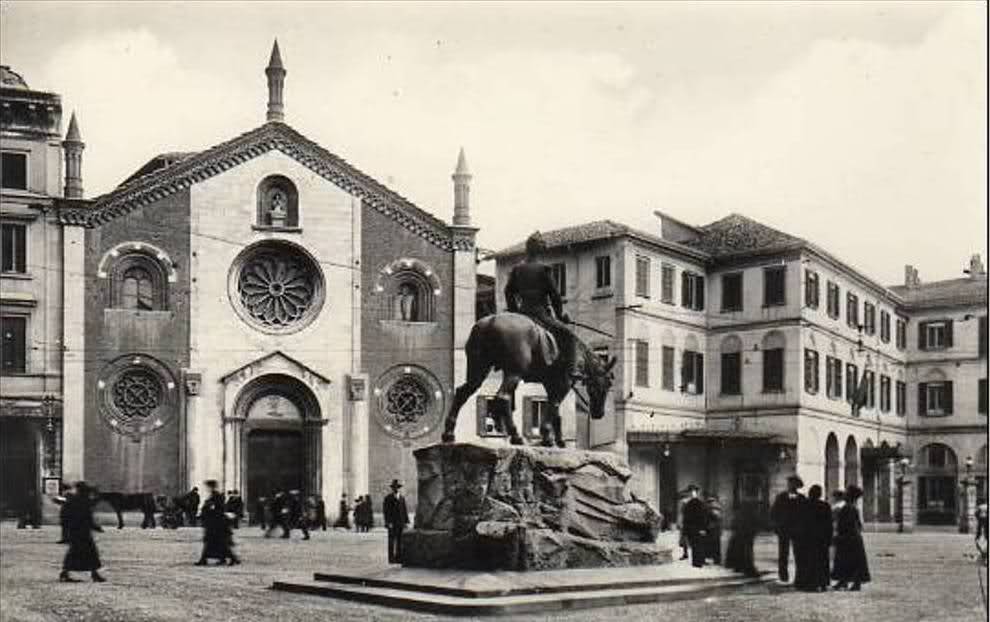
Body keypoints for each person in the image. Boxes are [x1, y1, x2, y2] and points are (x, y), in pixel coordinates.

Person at [503, 231, 577, 378]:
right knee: (569, 336)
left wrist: (515, 312)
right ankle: (571, 370)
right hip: (540, 313)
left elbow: (508, 292)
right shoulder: (544, 269)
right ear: (539, 250)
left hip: (522, 312)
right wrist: (560, 316)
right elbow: (555, 295)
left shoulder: (517, 269)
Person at [59, 481, 107, 583]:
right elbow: (87, 515)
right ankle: (94, 574)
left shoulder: (75, 500)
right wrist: (95, 527)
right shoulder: (82, 500)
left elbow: (66, 516)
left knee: (77, 552)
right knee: (89, 552)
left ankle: (66, 572)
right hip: (81, 531)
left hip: (77, 531)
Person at [832, 484, 870, 591]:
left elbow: (848, 524)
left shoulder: (848, 508)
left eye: (847, 492)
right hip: (853, 537)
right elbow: (859, 525)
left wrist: (840, 535)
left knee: (848, 560)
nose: (845, 494)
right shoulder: (853, 507)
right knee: (848, 560)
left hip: (849, 537)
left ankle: (851, 582)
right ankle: (844, 581)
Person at [797, 484, 833, 592]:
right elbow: (829, 524)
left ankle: (809, 583)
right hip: (821, 538)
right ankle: (822, 583)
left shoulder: (804, 505)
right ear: (820, 494)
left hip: (808, 538)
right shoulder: (825, 505)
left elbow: (801, 523)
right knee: (822, 561)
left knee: (809, 561)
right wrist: (829, 538)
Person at [770, 475, 805, 583]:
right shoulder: (781, 497)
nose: (791, 485)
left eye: (793, 483)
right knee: (783, 553)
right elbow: (774, 512)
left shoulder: (802, 498)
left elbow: (805, 514)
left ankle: (800, 575)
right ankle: (783, 575)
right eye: (790, 483)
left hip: (797, 530)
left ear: (797, 485)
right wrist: (776, 525)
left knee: (798, 553)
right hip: (783, 528)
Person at [195, 480, 239, 566]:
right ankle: (225, 559)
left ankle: (231, 558)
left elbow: (217, 508)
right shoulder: (215, 495)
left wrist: (209, 508)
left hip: (217, 524)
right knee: (216, 543)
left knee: (216, 543)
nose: (207, 488)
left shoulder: (217, 496)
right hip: (215, 523)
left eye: (208, 486)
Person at [724, 501, 761, 578]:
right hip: (746, 535)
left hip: (741, 535)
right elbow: (755, 524)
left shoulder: (739, 514)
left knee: (740, 550)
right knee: (747, 552)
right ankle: (749, 569)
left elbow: (733, 525)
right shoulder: (751, 515)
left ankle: (739, 566)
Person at [680, 484, 708, 568]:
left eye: (693, 492)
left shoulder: (697, 503)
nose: (692, 493)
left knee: (697, 545)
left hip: (696, 528)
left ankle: (698, 562)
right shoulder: (691, 503)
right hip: (693, 528)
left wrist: (703, 528)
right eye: (691, 492)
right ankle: (698, 562)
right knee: (696, 545)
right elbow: (686, 517)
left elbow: (703, 516)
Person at [383, 480, 409, 564]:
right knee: (391, 541)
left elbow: (404, 510)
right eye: (394, 487)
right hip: (392, 523)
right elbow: (386, 511)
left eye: (397, 487)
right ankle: (391, 558)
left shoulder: (402, 498)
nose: (396, 489)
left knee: (400, 541)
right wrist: (388, 522)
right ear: (392, 488)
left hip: (400, 523)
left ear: (399, 488)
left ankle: (399, 558)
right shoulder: (388, 498)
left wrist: (406, 522)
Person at [704, 495, 724, 565]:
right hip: (713, 529)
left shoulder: (712, 508)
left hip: (713, 529)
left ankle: (716, 559)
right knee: (713, 545)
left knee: (713, 545)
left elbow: (717, 517)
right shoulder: (714, 508)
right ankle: (716, 559)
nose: (711, 503)